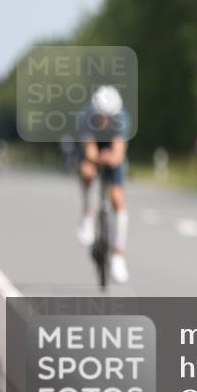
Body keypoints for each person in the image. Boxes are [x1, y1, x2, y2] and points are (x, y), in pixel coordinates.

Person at [76, 85, 132, 283]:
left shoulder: (122, 119)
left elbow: (119, 152)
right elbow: (90, 150)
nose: (107, 121)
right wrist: (97, 158)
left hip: (111, 149)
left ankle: (119, 255)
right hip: (95, 147)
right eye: (102, 117)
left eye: (111, 118)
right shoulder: (85, 118)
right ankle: (87, 216)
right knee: (87, 172)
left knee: (117, 198)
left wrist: (111, 158)